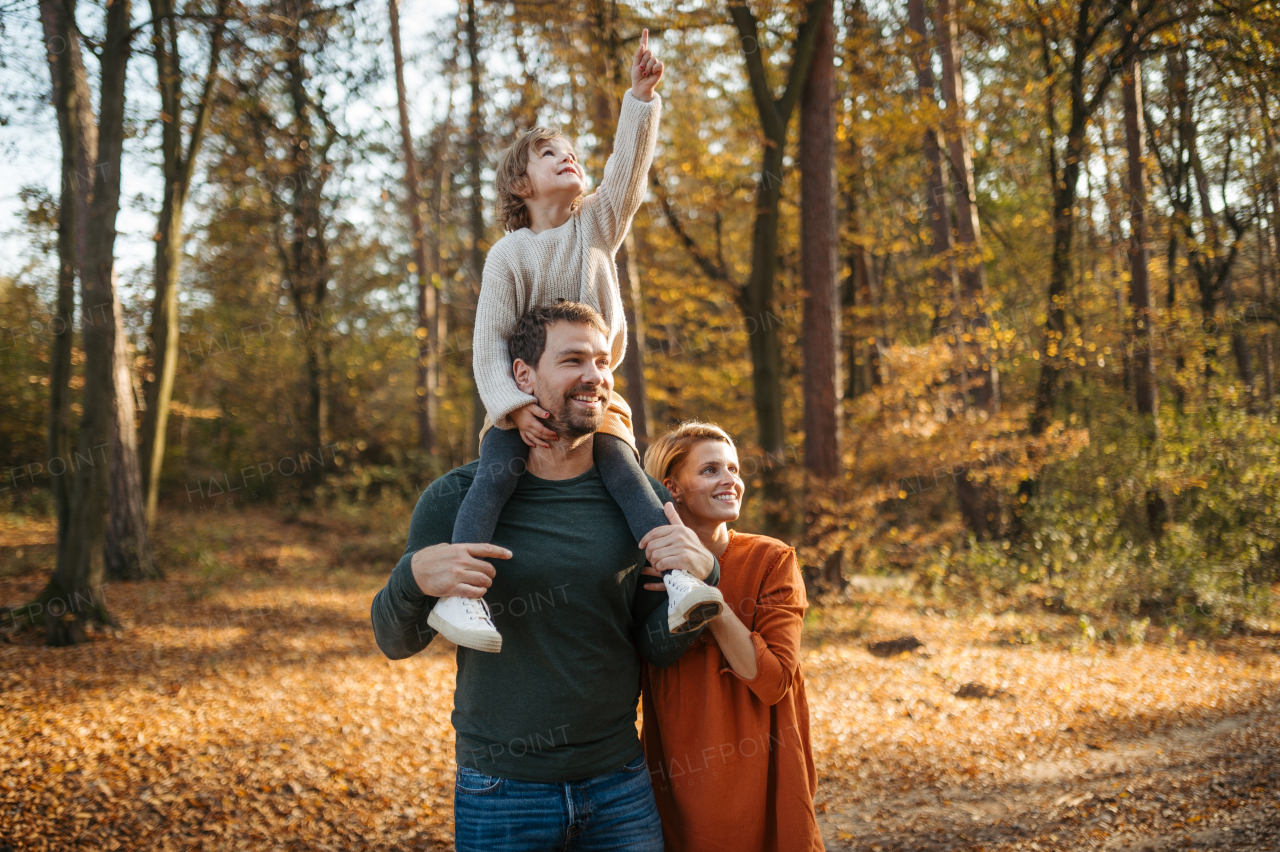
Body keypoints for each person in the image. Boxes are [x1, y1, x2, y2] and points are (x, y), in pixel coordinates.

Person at [371, 303, 721, 851]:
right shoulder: (454, 498)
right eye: (573, 360)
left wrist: (707, 577)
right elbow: (395, 640)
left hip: (619, 787)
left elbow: (655, 648)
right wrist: (412, 576)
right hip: (501, 791)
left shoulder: (642, 503)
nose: (595, 376)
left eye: (603, 362)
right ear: (522, 376)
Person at [428, 28, 723, 654]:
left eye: (571, 152)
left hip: (594, 397)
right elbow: (487, 346)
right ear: (519, 186)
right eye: (548, 155)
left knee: (624, 473)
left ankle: (677, 581)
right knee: (495, 475)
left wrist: (640, 99)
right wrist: (514, 407)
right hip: (526, 397)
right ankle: (462, 596)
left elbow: (627, 174)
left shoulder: (596, 223)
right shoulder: (509, 253)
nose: (568, 159)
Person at [639, 422, 825, 852]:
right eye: (710, 470)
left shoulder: (771, 559)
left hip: (761, 779)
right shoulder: (641, 570)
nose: (731, 481)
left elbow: (774, 680)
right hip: (675, 778)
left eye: (734, 469)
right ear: (673, 487)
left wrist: (708, 593)